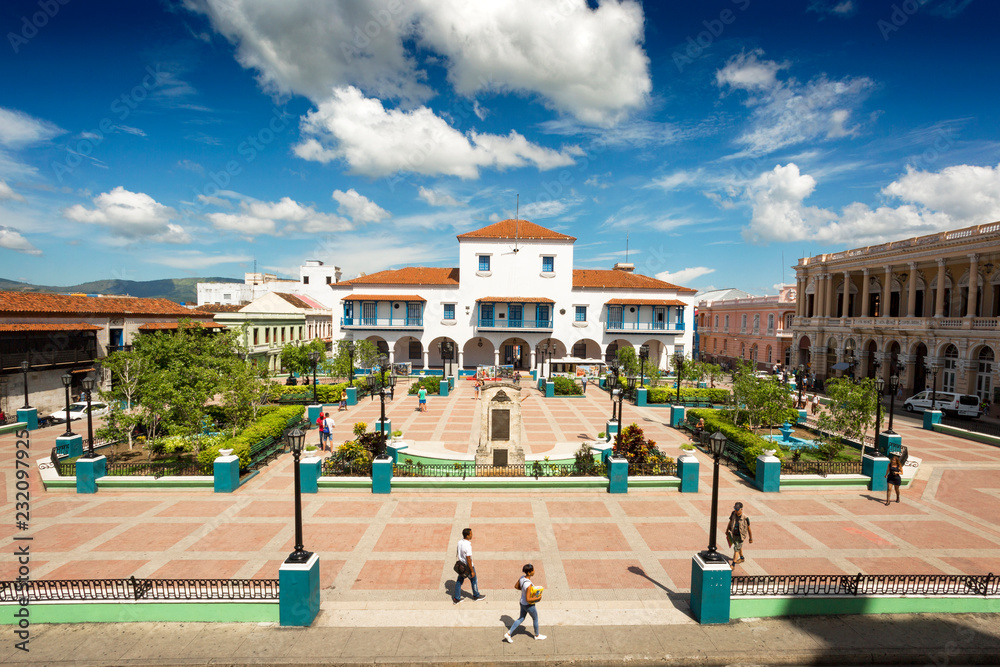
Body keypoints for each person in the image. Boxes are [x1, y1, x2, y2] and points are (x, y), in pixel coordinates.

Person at [503, 563, 545, 642]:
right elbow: (528, 599)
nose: (534, 571)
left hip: (522, 603)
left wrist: (524, 590)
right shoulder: (528, 585)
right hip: (529, 605)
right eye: (533, 570)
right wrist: (538, 597)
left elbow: (516, 586)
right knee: (535, 619)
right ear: (529, 572)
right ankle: (537, 635)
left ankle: (508, 634)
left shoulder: (522, 578)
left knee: (521, 618)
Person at [452, 528, 486, 603]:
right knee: (474, 580)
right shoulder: (467, 546)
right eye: (471, 534)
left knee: (459, 581)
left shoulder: (460, 542)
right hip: (467, 566)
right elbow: (469, 559)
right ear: (467, 535)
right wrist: (472, 571)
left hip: (461, 566)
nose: (472, 535)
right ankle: (476, 595)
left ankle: (457, 598)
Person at [725, 502, 752, 568]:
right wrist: (727, 530)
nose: (736, 511)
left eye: (737, 509)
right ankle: (742, 558)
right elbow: (730, 522)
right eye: (735, 509)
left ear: (741, 509)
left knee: (736, 549)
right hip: (734, 534)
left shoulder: (745, 518)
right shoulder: (733, 514)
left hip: (740, 536)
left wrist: (750, 538)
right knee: (738, 546)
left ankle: (733, 564)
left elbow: (749, 528)